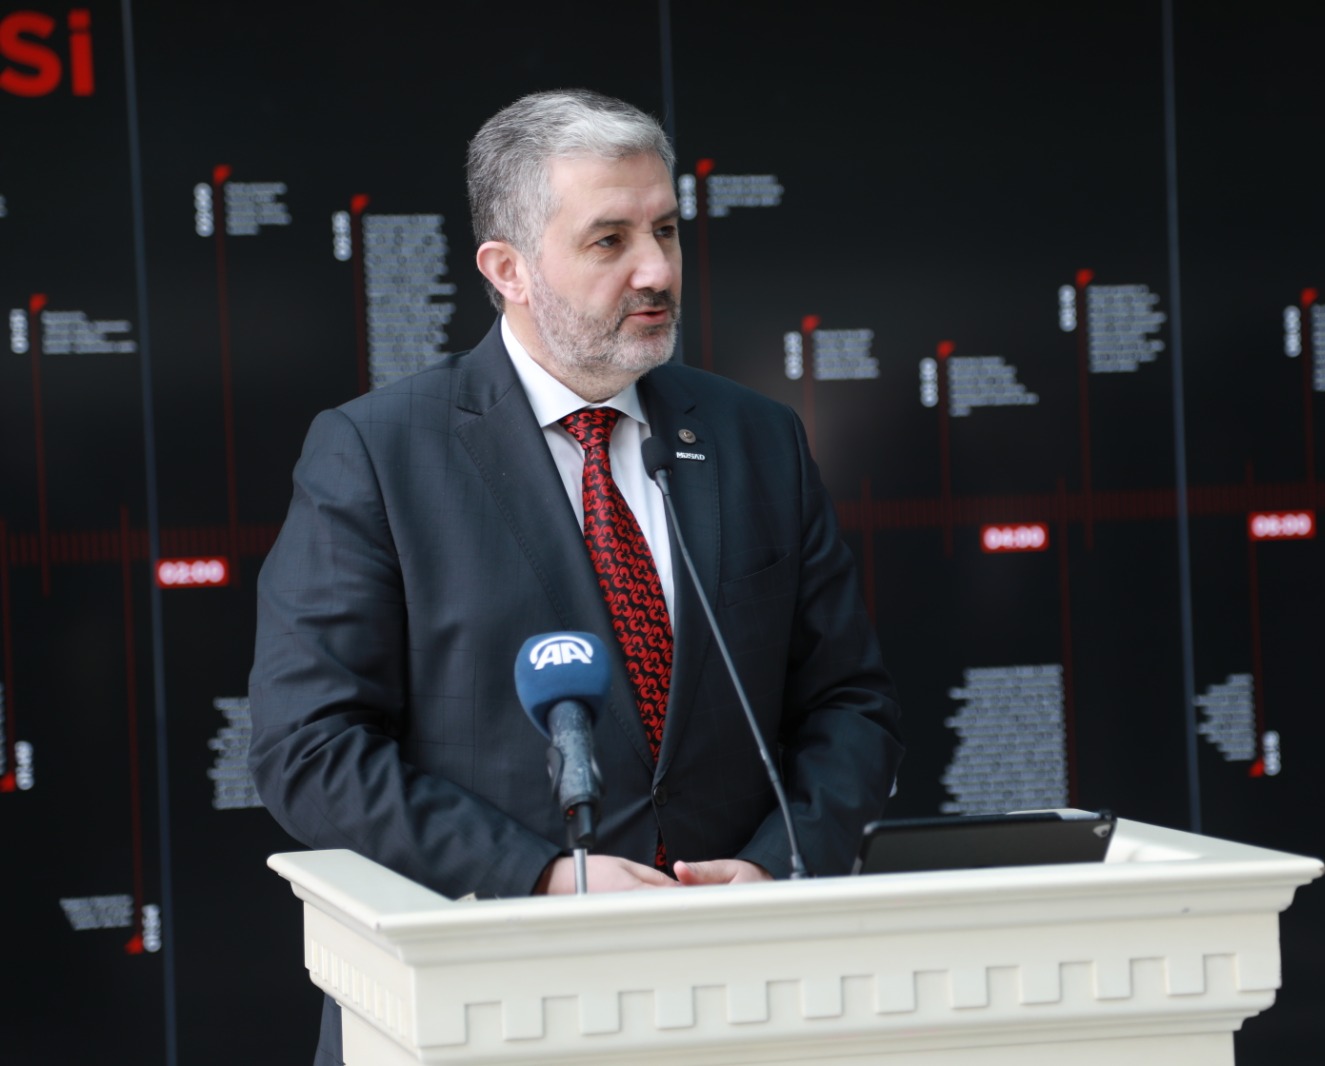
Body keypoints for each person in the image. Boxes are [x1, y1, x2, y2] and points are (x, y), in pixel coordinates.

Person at [248, 89, 903, 1064]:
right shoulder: (377, 454)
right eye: (609, 240)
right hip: (478, 997)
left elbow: (850, 706)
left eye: (666, 231)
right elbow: (308, 748)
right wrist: (543, 874)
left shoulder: (756, 438)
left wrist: (779, 863)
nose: (657, 270)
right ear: (506, 269)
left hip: (742, 993)